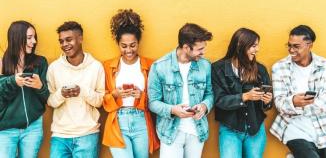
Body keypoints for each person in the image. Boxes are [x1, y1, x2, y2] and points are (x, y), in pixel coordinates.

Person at [270, 25, 326, 158]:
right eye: (289, 45)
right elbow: (279, 103)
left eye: (296, 46)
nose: (291, 50)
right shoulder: (279, 67)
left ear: (309, 45)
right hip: (292, 127)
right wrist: (293, 102)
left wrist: (294, 106)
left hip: (320, 128)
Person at [148, 23, 213, 158]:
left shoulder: (205, 65)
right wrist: (173, 110)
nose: (203, 52)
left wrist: (204, 106)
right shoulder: (160, 67)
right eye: (199, 49)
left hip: (197, 131)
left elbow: (209, 94)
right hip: (170, 132)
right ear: (186, 47)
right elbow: (152, 102)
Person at [102, 9, 159, 158]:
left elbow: (156, 99)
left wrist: (141, 95)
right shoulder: (108, 66)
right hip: (118, 121)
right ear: (118, 44)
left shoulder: (151, 65)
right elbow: (102, 97)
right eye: (124, 46)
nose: (128, 50)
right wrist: (114, 94)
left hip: (141, 120)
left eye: (133, 45)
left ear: (138, 43)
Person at [47, 21, 105, 158]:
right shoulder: (54, 68)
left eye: (69, 40)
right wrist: (61, 94)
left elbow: (100, 101)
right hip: (60, 135)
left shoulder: (96, 67)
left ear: (80, 39)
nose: (64, 45)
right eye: (61, 41)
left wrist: (82, 91)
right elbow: (50, 101)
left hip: (87, 134)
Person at [212, 28, 272, 158]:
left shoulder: (260, 69)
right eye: (253, 46)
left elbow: (267, 105)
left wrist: (267, 101)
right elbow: (219, 100)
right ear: (240, 45)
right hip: (230, 129)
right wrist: (245, 96)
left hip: (255, 129)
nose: (257, 49)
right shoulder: (218, 69)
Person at [0, 20, 49, 158]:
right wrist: (12, 81)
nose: (34, 41)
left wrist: (40, 87)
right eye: (29, 38)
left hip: (32, 128)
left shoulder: (40, 62)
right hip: (5, 130)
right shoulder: (2, 64)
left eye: (34, 37)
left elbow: (47, 98)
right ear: (16, 38)